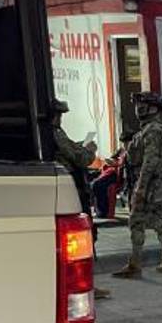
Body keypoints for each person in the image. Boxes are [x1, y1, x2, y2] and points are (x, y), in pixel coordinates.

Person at [50, 99, 111, 299]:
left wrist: (79, 147)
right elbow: (81, 159)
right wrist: (89, 150)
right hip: (73, 190)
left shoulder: (52, 134)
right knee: (82, 240)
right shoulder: (55, 133)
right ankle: (84, 286)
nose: (60, 117)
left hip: (66, 189)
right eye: (59, 114)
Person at [113, 92, 162, 279]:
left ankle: (136, 264)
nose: (139, 109)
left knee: (138, 221)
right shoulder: (154, 128)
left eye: (143, 105)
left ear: (153, 108)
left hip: (148, 181)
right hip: (154, 181)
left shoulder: (153, 130)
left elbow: (150, 160)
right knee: (157, 219)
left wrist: (141, 187)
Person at [90, 130, 134, 220]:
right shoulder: (122, 150)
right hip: (112, 172)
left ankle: (103, 211)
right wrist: (112, 162)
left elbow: (125, 166)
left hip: (118, 176)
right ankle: (100, 210)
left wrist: (116, 164)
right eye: (124, 143)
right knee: (94, 183)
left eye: (127, 143)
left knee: (97, 185)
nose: (125, 145)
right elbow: (113, 158)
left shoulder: (133, 152)